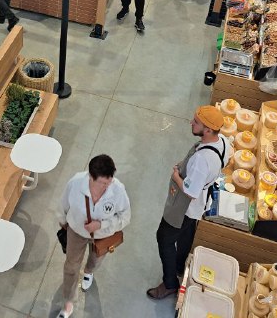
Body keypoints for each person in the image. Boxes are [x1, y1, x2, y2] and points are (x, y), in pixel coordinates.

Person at [147, 106, 231, 300]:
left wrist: (176, 176)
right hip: (199, 205)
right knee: (186, 235)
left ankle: (170, 283)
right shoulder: (223, 142)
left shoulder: (202, 160)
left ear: (208, 130)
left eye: (196, 122)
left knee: (164, 238)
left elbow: (191, 192)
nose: (191, 123)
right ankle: (179, 266)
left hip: (185, 208)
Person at [57, 154, 131, 318]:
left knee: (96, 259)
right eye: (103, 183)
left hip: (103, 235)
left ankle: (89, 272)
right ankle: (68, 302)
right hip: (77, 230)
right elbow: (63, 204)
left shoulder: (117, 190)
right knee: (71, 267)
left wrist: (101, 225)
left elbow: (125, 217)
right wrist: (62, 221)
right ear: (91, 176)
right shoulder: (76, 183)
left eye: (109, 181)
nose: (107, 186)